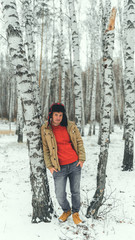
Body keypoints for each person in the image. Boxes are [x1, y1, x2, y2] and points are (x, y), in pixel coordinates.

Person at [41, 103, 86, 225]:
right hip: (58, 167)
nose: (58, 118)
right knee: (59, 194)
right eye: (56, 115)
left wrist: (81, 160)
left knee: (75, 191)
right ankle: (67, 210)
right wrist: (50, 166)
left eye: (60, 115)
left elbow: (79, 142)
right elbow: (45, 149)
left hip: (74, 164)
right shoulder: (45, 129)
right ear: (51, 115)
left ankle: (76, 213)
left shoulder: (70, 126)